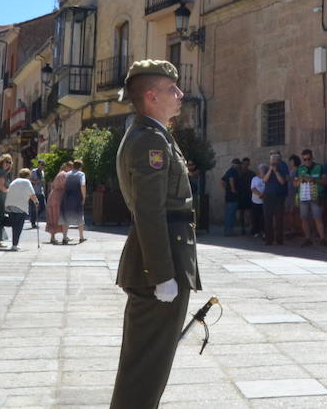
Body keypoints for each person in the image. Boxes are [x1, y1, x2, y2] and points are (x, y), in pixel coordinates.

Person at [109, 61, 200, 409]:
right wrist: (162, 274)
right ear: (151, 96)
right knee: (146, 366)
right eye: (172, 90)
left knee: (151, 364)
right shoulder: (149, 139)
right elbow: (150, 212)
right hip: (159, 264)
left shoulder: (155, 134)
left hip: (165, 256)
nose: (180, 95)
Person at [294, 149, 327, 247]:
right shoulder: (300, 169)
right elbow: (295, 184)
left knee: (318, 218)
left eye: (308, 159)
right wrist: (300, 180)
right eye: (304, 159)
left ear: (312, 157)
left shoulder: (319, 167)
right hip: (303, 197)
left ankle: (322, 239)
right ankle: (307, 239)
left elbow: (325, 182)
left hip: (316, 197)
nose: (307, 161)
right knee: (304, 219)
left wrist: (313, 179)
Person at [259, 151, 289, 245]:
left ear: (278, 160)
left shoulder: (283, 168)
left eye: (274, 160)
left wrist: (276, 171)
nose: (272, 162)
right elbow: (264, 180)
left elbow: (282, 182)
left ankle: (279, 239)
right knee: (268, 218)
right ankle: (269, 240)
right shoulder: (267, 168)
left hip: (279, 197)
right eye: (271, 160)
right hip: (268, 196)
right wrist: (270, 170)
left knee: (279, 219)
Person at [5, 168, 38, 250]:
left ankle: (14, 244)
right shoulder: (27, 182)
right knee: (18, 226)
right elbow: (32, 194)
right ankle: (14, 245)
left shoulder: (15, 181)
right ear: (28, 176)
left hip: (10, 205)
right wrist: (36, 202)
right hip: (20, 206)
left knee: (14, 225)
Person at [221, 158, 241, 235]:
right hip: (232, 196)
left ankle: (227, 231)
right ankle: (229, 231)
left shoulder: (228, 171)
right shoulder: (233, 171)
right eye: (237, 164)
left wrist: (226, 189)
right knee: (231, 214)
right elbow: (231, 179)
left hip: (229, 196)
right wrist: (233, 189)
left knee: (229, 214)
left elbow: (222, 181)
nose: (238, 166)